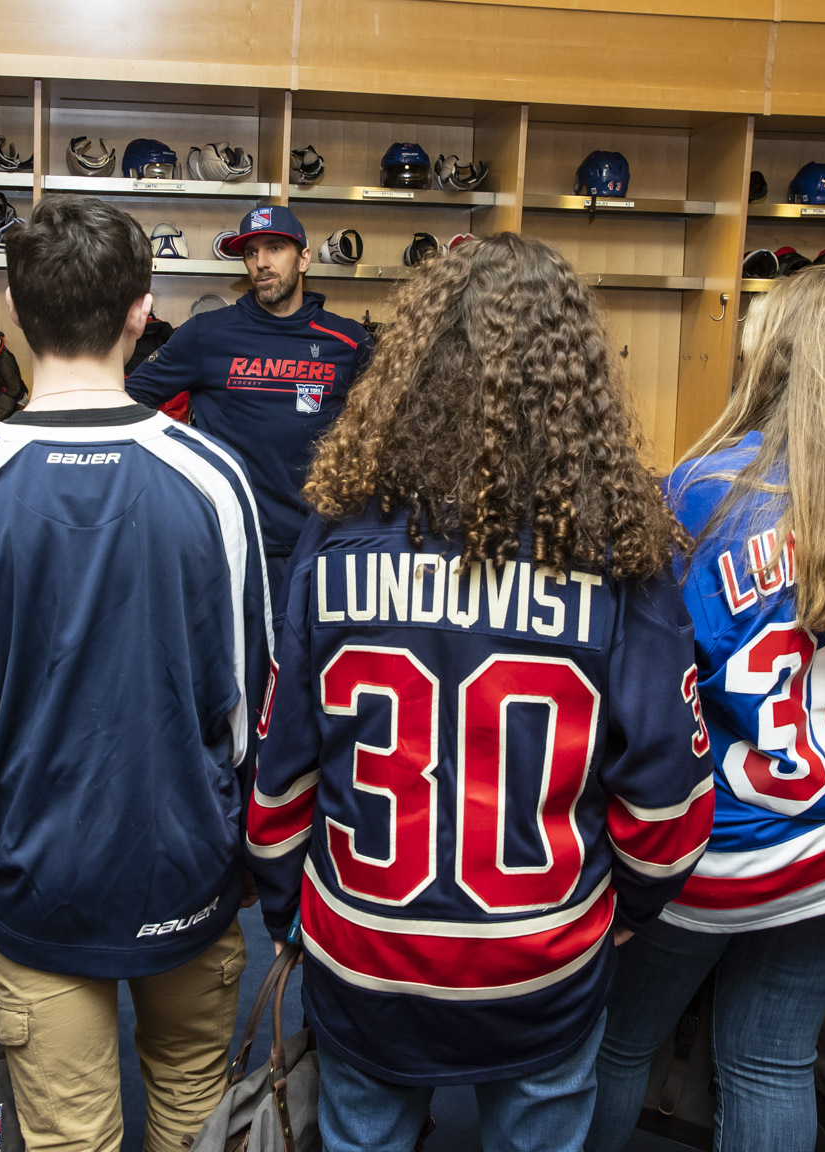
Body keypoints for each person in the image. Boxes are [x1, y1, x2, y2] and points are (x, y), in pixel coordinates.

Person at [244, 232, 716, 1152]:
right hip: (541, 956)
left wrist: (284, 910)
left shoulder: (336, 536)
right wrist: (629, 910)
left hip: (366, 951)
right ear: (577, 377)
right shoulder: (625, 559)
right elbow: (667, 794)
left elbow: (280, 770)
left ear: (412, 369)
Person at [0, 195, 271, 1152]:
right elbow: (248, 705)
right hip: (188, 862)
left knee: (69, 1134)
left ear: (16, 311)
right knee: (194, 1112)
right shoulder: (214, 478)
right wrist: (253, 857)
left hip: (34, 879)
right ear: (143, 311)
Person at [585, 264, 825, 1152]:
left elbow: (649, 676)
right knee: (771, 1061)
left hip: (725, 848)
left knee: (618, 1043)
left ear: (790, 355)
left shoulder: (708, 489)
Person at [125, 203, 373, 590]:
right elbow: (130, 400)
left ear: (304, 258)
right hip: (235, 545)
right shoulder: (206, 335)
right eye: (251, 252)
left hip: (325, 543)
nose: (261, 262)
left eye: (275, 247)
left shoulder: (348, 341)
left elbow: (383, 429)